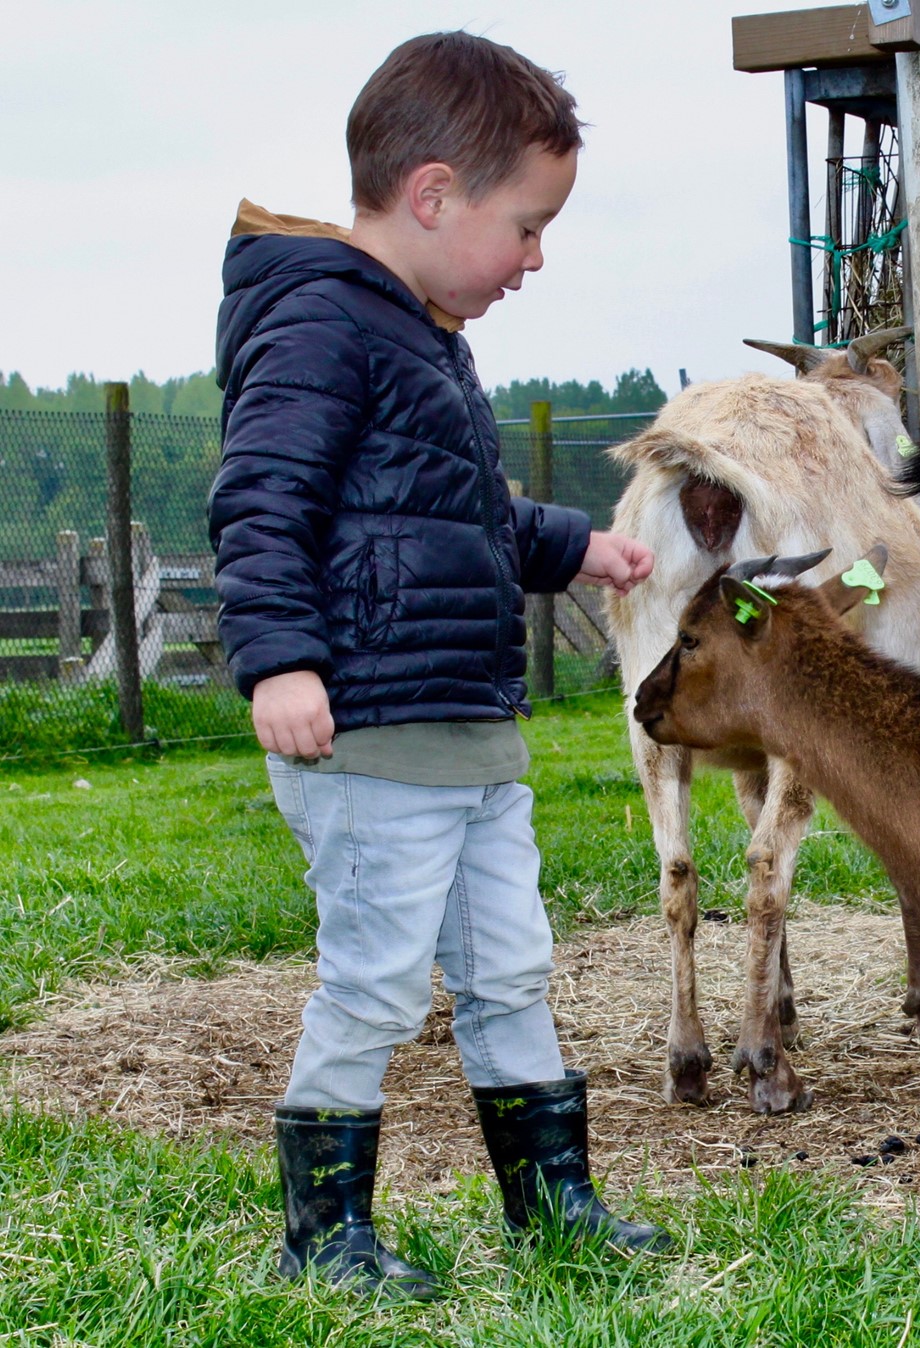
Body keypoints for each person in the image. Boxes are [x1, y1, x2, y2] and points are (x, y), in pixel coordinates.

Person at [208, 31, 662, 1300]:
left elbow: (462, 520)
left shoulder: (424, 337)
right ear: (433, 195)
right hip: (372, 734)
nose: (535, 257)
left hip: (467, 731)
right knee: (375, 978)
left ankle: (554, 1202)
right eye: (527, 225)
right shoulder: (317, 322)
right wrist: (281, 661)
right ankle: (325, 1235)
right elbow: (262, 501)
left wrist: (578, 548)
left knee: (509, 962)